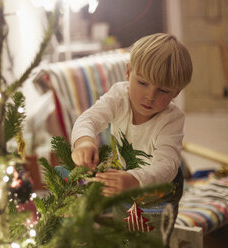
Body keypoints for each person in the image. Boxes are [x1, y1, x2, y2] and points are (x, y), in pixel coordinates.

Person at [71, 33, 193, 245]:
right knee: (124, 228)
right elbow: (89, 118)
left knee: (151, 239)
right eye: (143, 82)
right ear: (128, 72)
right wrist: (84, 141)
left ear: (176, 92)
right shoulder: (120, 96)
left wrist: (135, 180)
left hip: (159, 194)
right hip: (125, 180)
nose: (150, 96)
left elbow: (167, 165)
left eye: (163, 90)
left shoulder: (171, 119)